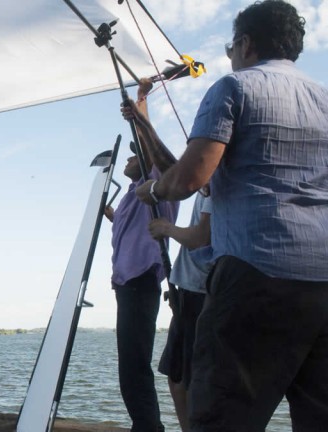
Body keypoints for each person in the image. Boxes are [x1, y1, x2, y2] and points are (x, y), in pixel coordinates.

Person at [134, 1, 328, 429]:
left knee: (222, 416)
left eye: (230, 48)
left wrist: (155, 189)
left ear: (245, 44)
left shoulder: (234, 88)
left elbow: (190, 178)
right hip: (323, 285)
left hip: (255, 275)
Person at [105, 78, 179, 432]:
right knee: (129, 364)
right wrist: (105, 212)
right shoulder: (133, 192)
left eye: (134, 156)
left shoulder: (159, 184)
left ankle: (149, 428)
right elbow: (126, 226)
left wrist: (140, 104)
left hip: (140, 282)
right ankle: (145, 425)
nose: (128, 158)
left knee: (134, 364)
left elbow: (152, 148)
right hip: (126, 285)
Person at [149, 189, 212, 432]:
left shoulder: (216, 187)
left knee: (185, 379)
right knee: (179, 376)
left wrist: (166, 228)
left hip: (199, 294)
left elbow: (201, 238)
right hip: (189, 293)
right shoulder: (208, 188)